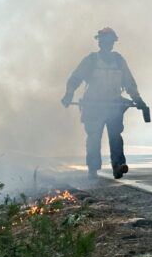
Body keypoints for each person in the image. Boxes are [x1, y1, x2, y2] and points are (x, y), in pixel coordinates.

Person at [61, 27, 146, 180]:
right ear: (100, 43)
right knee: (94, 137)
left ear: (113, 43)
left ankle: (118, 166)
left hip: (114, 106)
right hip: (94, 106)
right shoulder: (91, 60)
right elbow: (75, 78)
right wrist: (69, 93)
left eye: (110, 42)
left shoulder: (119, 61)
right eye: (105, 42)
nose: (108, 45)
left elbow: (129, 83)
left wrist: (138, 99)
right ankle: (93, 169)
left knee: (115, 136)